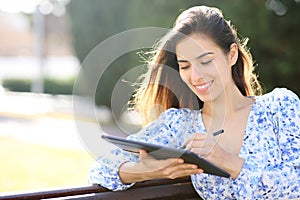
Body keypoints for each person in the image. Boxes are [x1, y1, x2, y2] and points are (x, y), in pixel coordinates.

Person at [89, 5, 300, 199]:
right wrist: (145, 171)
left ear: (232, 55)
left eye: (206, 61)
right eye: (185, 66)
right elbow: (101, 168)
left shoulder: (279, 107)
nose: (196, 76)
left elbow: (296, 184)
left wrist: (226, 161)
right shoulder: (179, 125)